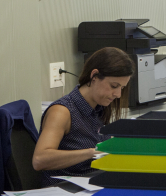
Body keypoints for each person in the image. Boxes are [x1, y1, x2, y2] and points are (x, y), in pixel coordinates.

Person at [33, 47, 134, 187]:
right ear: (94, 76)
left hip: (93, 185)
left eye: (121, 88)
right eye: (114, 86)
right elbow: (40, 160)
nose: (118, 94)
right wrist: (91, 152)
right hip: (64, 193)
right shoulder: (62, 111)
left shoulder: (99, 109)